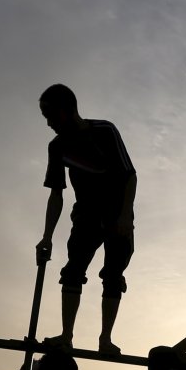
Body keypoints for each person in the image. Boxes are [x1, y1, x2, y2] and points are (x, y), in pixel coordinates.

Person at [36, 83, 137, 355]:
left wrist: (126, 215)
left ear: (67, 110)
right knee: (73, 270)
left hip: (117, 216)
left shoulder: (104, 131)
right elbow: (56, 194)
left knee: (113, 275)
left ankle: (105, 339)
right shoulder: (57, 147)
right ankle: (66, 335)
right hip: (86, 217)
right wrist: (47, 236)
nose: (48, 123)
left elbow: (129, 176)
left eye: (50, 116)